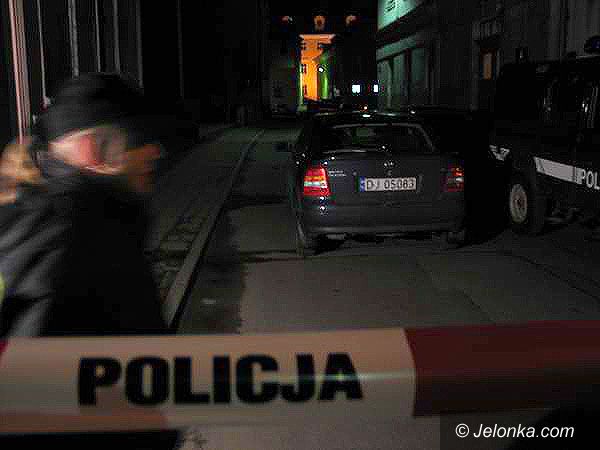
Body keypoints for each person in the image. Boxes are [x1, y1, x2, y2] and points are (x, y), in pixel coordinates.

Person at [0, 73, 180, 448]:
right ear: (95, 150)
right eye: (140, 138)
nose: (156, 151)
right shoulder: (67, 235)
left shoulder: (97, 221)